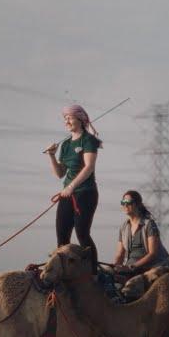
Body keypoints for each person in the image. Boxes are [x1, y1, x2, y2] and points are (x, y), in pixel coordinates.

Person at [46, 104, 102, 273]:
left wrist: (71, 187)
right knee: (62, 237)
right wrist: (51, 156)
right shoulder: (66, 145)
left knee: (82, 233)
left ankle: (93, 273)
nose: (67, 121)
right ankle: (62, 273)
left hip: (85, 193)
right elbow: (60, 173)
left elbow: (89, 167)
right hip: (67, 193)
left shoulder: (88, 140)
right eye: (65, 119)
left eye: (69, 118)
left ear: (80, 119)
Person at [113, 190, 169, 277]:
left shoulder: (149, 224)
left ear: (138, 204)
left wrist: (132, 267)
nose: (125, 205)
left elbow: (153, 253)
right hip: (130, 269)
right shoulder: (124, 227)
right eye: (123, 202)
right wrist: (115, 266)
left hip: (151, 269)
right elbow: (120, 254)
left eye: (129, 202)